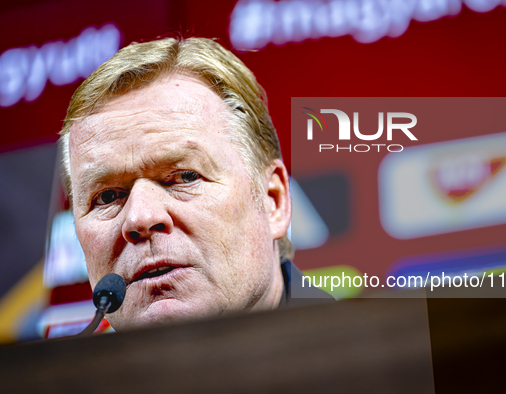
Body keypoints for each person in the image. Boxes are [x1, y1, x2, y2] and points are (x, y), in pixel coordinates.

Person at [59, 37, 331, 331]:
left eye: (186, 177)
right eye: (108, 196)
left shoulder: (379, 367)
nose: (140, 217)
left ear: (272, 201)